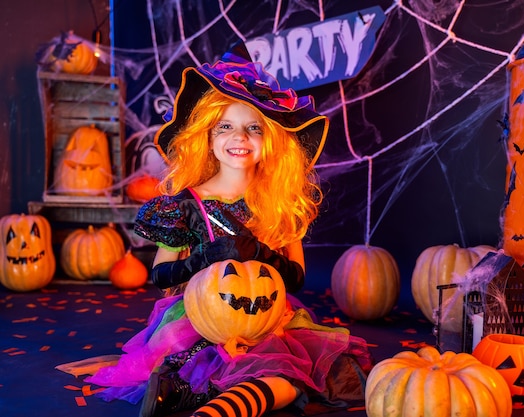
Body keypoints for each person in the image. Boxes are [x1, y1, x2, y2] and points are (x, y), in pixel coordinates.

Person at [75, 48, 374, 417]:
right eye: (226, 127)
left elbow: (295, 278)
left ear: (271, 141)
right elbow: (160, 274)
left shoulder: (279, 202)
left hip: (267, 314)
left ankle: (214, 406)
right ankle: (186, 391)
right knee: (205, 363)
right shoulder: (186, 204)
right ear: (208, 136)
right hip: (201, 315)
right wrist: (203, 259)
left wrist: (262, 253)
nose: (240, 137)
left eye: (253, 128)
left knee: (289, 370)